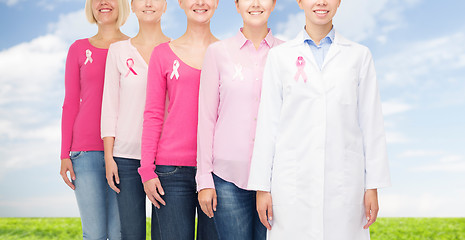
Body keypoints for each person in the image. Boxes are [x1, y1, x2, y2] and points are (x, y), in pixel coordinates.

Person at [247, 0, 391, 239]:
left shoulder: (359, 55)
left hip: (344, 184)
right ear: (300, 2)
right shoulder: (279, 56)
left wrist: (372, 185)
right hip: (292, 184)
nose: (321, 2)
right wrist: (262, 187)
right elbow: (267, 124)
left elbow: (371, 124)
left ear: (339, 2)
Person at [196, 0, 282, 239]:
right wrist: (204, 179)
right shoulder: (217, 53)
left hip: (277, 178)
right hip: (227, 178)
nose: (255, 4)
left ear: (273, 4)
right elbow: (206, 118)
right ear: (236, 5)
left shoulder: (288, 54)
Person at [138, 0, 220, 239]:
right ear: (181, 3)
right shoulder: (163, 53)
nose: (201, 2)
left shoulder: (226, 53)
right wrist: (147, 170)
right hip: (171, 173)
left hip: (217, 171)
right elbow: (153, 114)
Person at [59, 0, 130, 239]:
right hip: (85, 152)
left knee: (120, 233)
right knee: (95, 234)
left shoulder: (134, 47)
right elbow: (70, 103)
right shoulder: (78, 49)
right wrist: (64, 154)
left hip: (124, 152)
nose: (103, 3)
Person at [101, 0, 170, 239]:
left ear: (166, 6)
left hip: (166, 159)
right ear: (132, 6)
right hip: (126, 159)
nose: (148, 3)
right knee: (131, 233)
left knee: (164, 233)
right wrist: (109, 158)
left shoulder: (176, 49)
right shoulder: (118, 51)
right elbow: (110, 106)